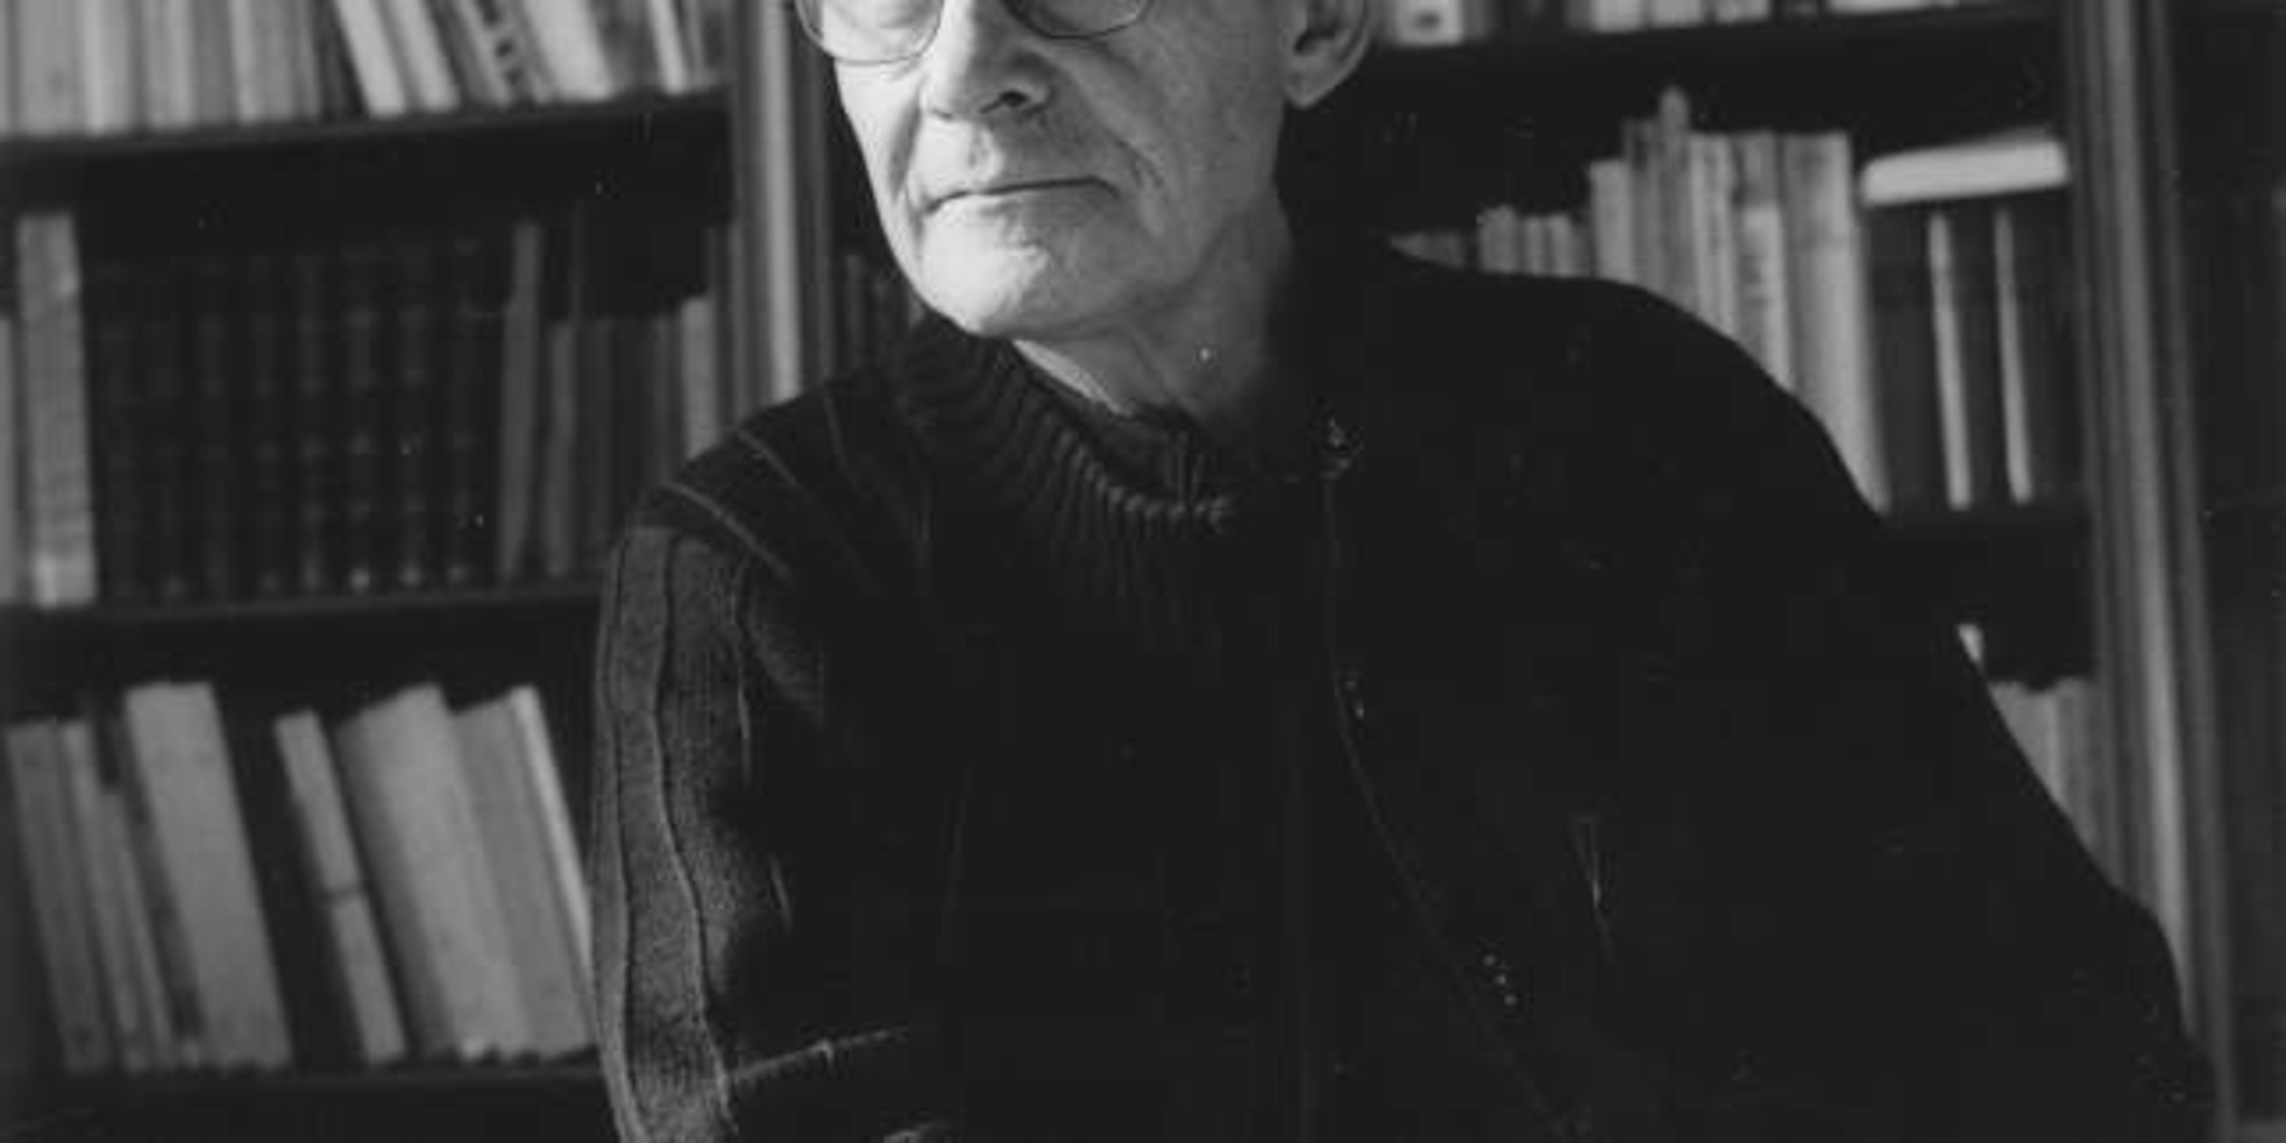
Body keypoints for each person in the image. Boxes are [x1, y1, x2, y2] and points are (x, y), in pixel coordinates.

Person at [588, 0, 2210, 1138]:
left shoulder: (1649, 425)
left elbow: (2075, 1046)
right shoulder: (758, 578)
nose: (958, 75)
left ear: (1317, 26)